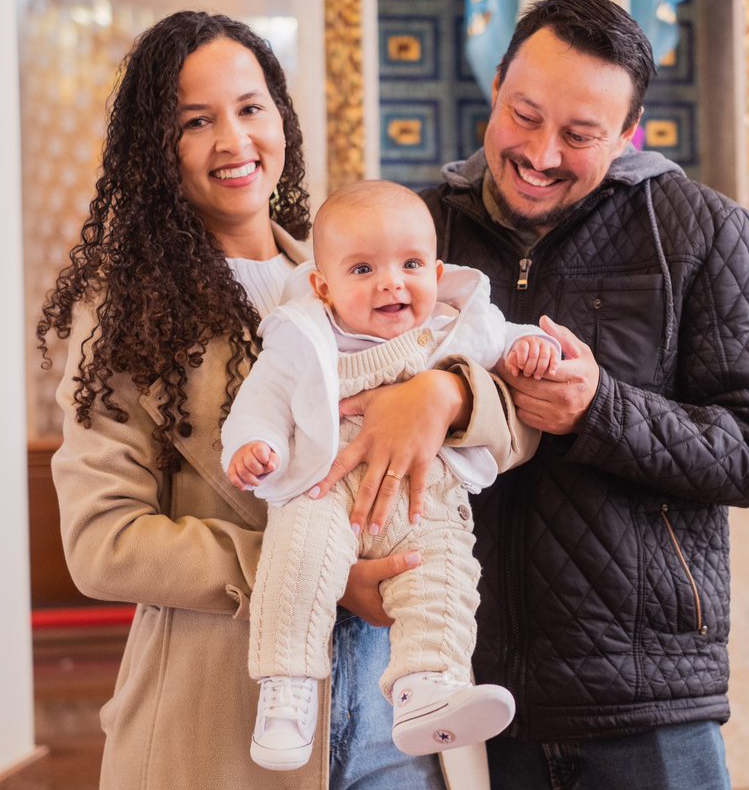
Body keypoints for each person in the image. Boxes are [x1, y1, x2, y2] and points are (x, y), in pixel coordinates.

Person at [38, 12, 532, 790]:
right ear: (156, 148)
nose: (233, 140)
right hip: (226, 717)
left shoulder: (356, 272)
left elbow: (510, 417)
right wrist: (317, 570)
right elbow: (103, 542)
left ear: (281, 116)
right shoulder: (127, 315)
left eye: (250, 107)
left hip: (392, 716)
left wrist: (446, 395)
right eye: (196, 121)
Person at [417, 0, 749, 787]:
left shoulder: (701, 231)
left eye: (579, 135)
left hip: (648, 698)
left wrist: (602, 410)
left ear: (628, 133)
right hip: (466, 686)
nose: (542, 153)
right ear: (496, 87)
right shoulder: (420, 234)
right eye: (525, 116)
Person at [221, 180, 559, 770]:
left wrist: (529, 347)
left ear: (436, 267)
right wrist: (257, 444)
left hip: (420, 499)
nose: (392, 282)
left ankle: (425, 687)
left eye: (410, 264)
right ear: (323, 285)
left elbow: (506, 346)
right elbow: (264, 399)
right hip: (326, 488)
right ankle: (287, 689)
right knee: (297, 557)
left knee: (445, 573)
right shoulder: (307, 335)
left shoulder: (455, 325)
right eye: (363, 269)